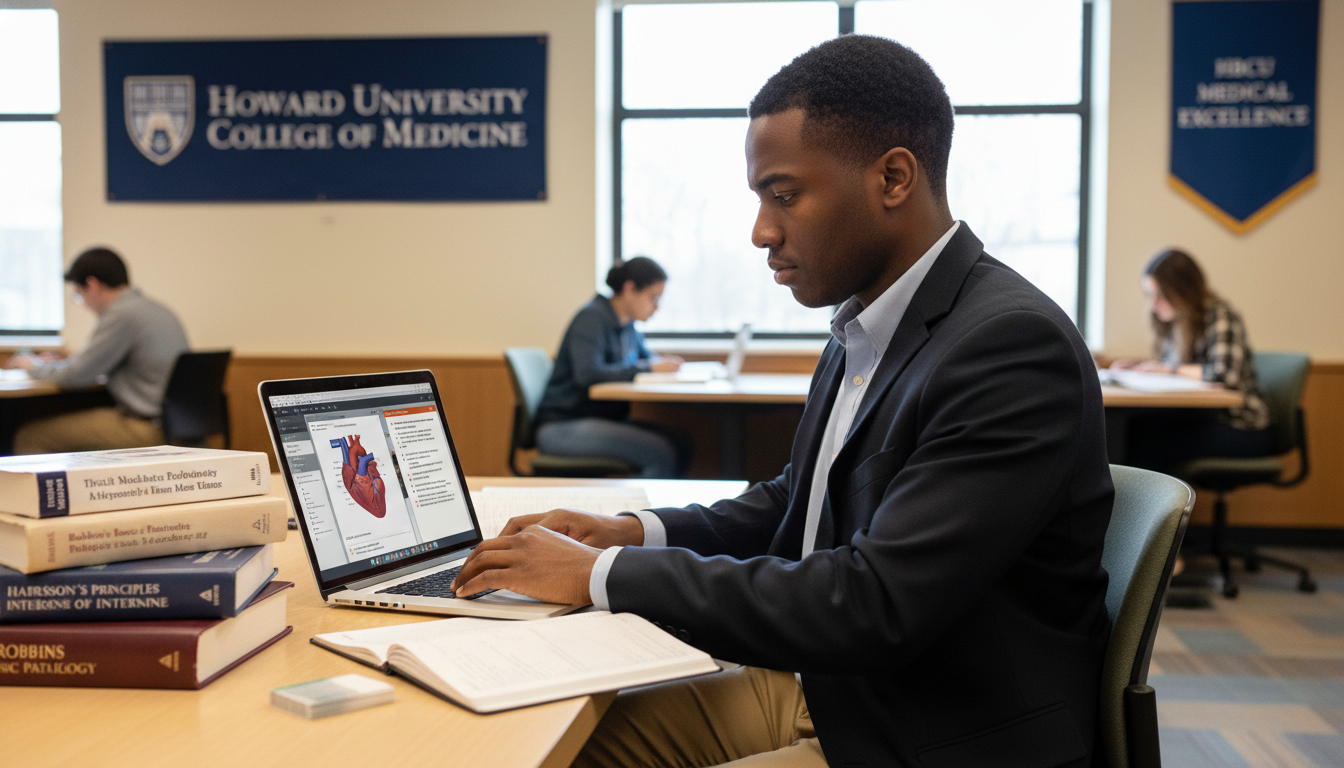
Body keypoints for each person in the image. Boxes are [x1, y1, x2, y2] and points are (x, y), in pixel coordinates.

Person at [453, 35, 1114, 767]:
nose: (762, 231)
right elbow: (795, 505)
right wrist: (627, 535)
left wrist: (598, 576)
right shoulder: (864, 324)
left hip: (930, 729)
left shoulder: (1009, 346)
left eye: (785, 194)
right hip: (836, 690)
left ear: (893, 178)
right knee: (550, 747)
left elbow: (874, 604)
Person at [5, 247, 189, 454]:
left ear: (92, 285)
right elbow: (92, 363)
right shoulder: (155, 309)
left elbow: (74, 375)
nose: (82, 303)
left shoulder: (121, 314)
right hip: (179, 425)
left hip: (148, 428)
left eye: (78, 294)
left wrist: (32, 365)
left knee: (30, 435)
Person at [1111, 248, 1272, 471]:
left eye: (1161, 295)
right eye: (1150, 295)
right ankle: (1140, 504)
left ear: (1183, 291)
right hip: (1203, 420)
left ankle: (1146, 505)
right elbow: (1174, 369)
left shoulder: (1219, 315)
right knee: (1135, 429)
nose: (1154, 304)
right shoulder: (1176, 323)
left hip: (1241, 426)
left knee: (1150, 442)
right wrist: (1139, 369)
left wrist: (1169, 370)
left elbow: (1225, 375)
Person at [533, 256, 690, 478]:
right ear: (629, 289)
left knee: (682, 442)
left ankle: (657, 511)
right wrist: (649, 369)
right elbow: (587, 374)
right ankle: (640, 513)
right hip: (563, 426)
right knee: (662, 453)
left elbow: (647, 360)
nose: (656, 307)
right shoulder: (592, 318)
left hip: (601, 420)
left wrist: (665, 365)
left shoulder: (627, 326)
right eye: (653, 298)